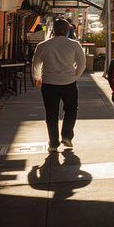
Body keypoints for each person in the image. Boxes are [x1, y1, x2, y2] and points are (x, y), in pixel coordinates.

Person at [30, 19, 87, 151]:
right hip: (69, 83)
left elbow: (36, 64)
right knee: (71, 109)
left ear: (53, 30)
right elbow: (82, 63)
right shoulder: (74, 45)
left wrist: (37, 78)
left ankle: (53, 143)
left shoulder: (43, 45)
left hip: (49, 83)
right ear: (67, 30)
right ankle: (66, 135)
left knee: (51, 113)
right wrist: (75, 76)